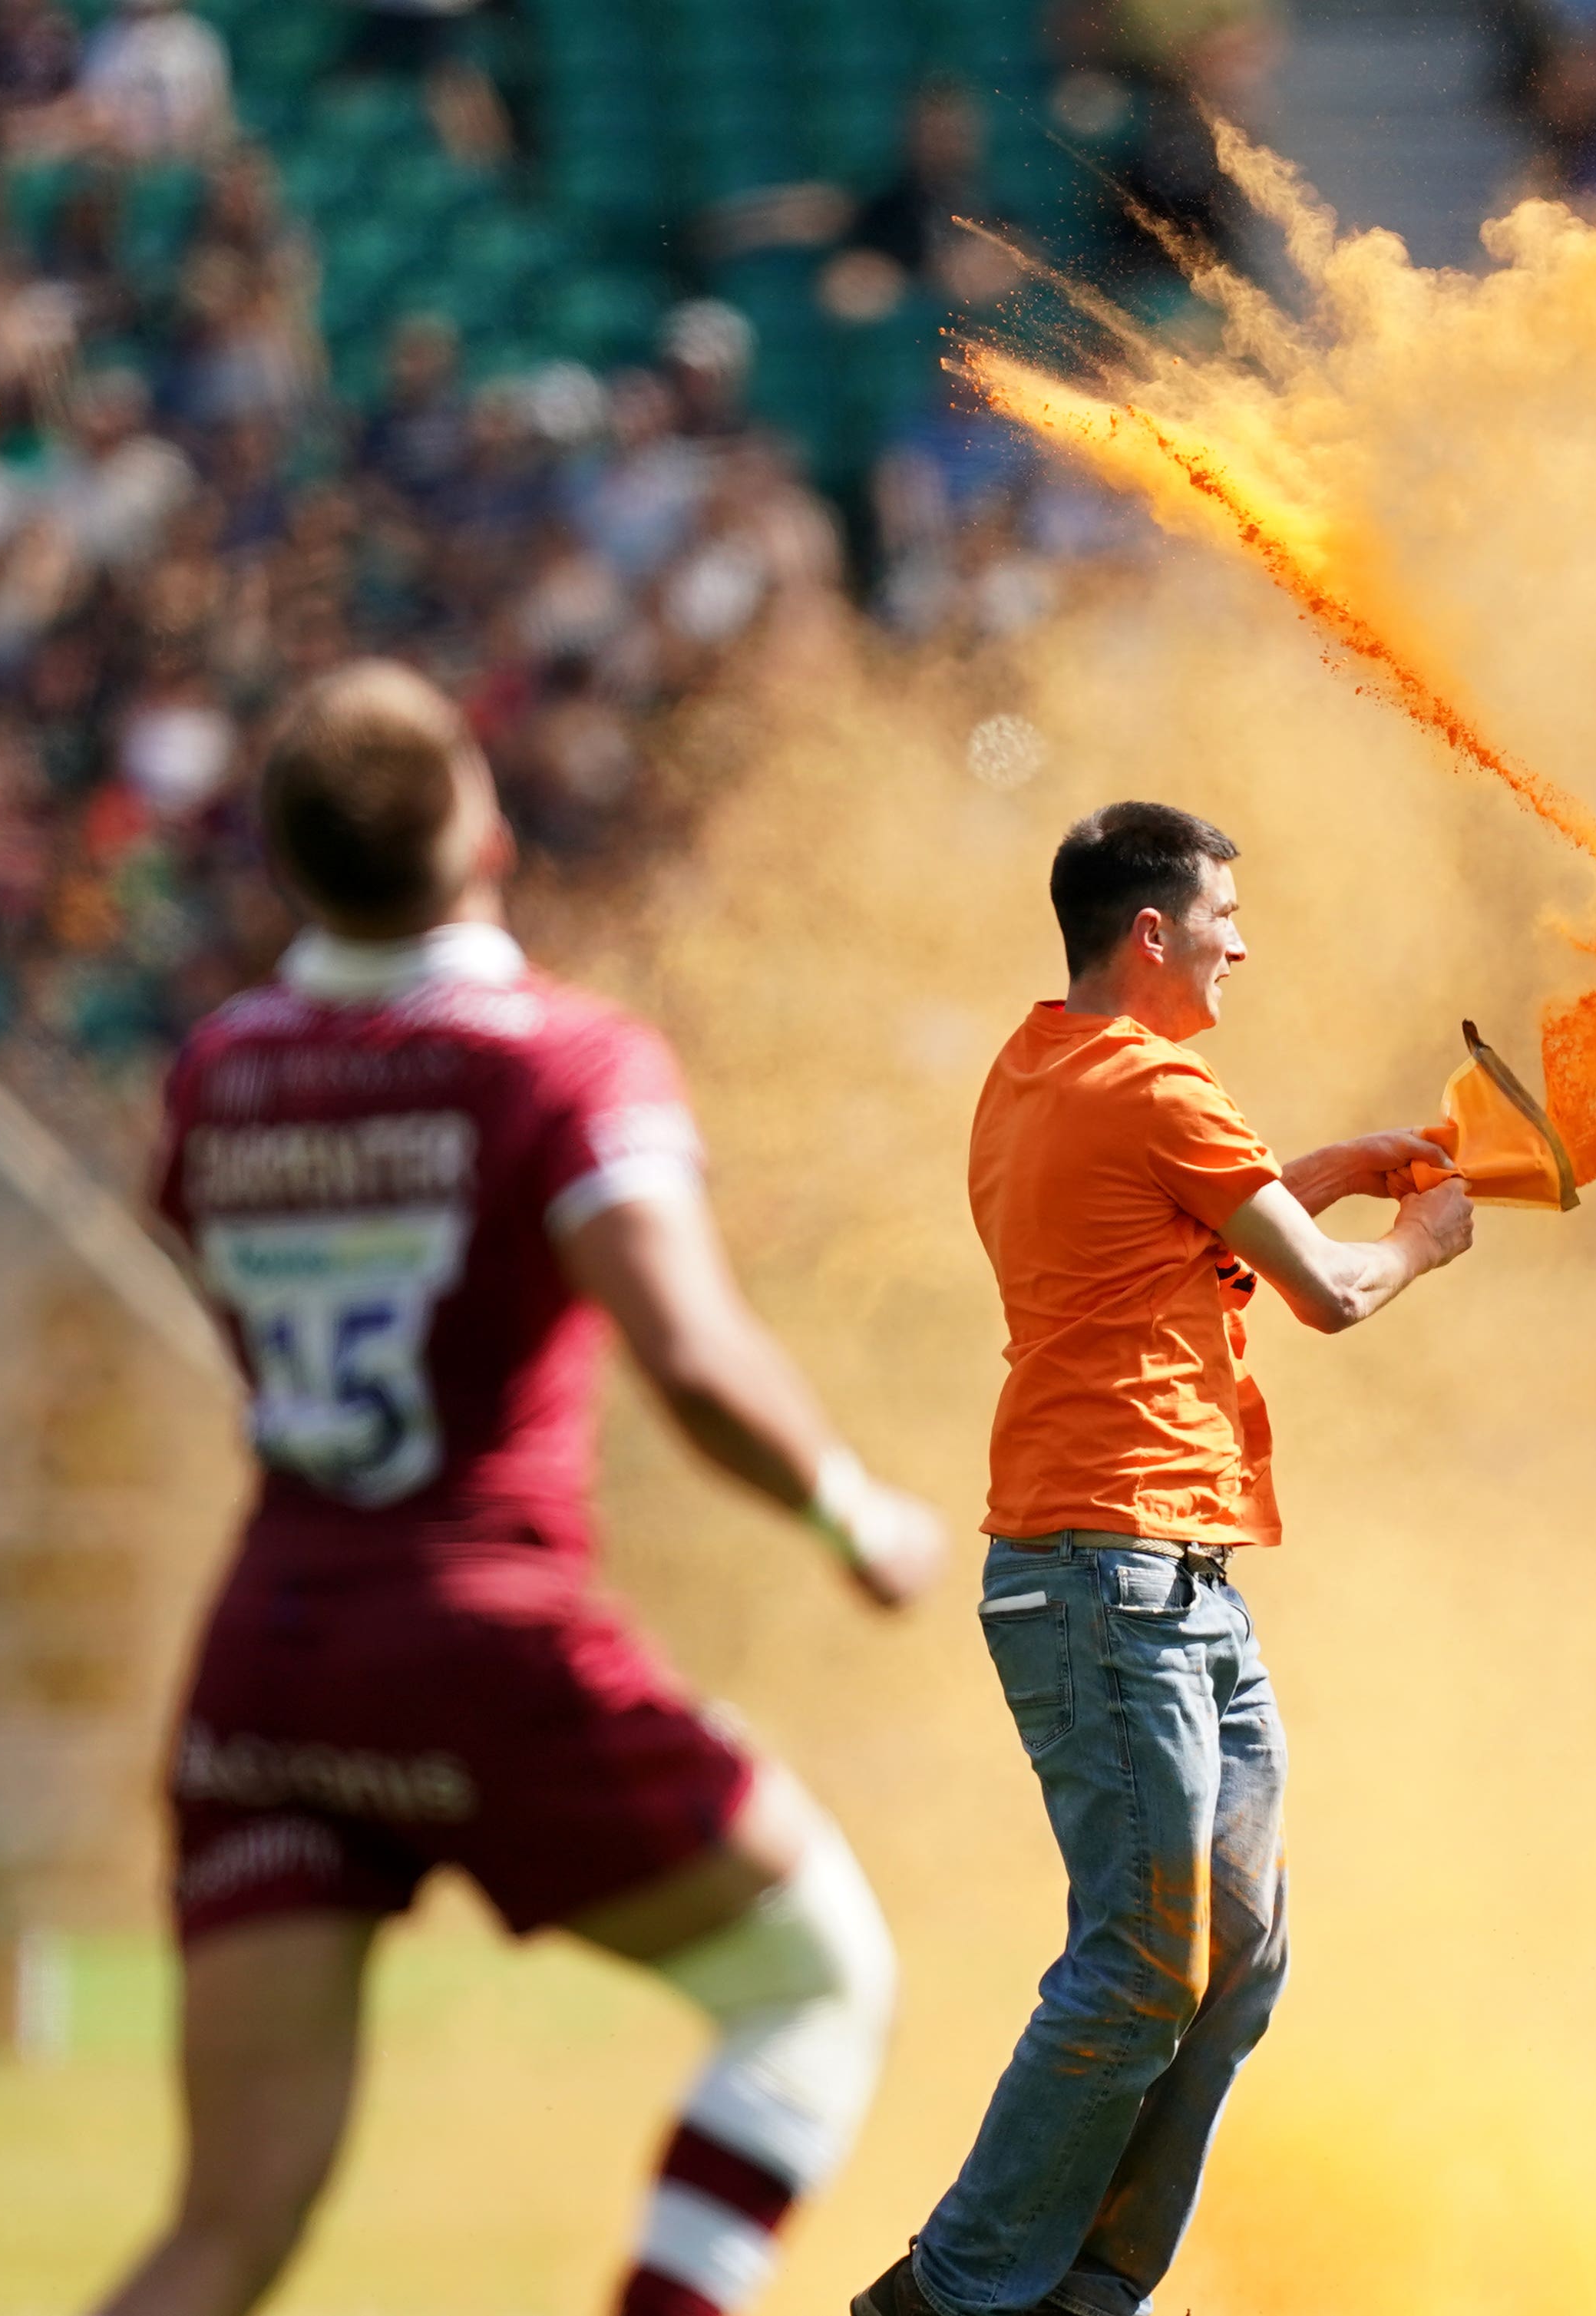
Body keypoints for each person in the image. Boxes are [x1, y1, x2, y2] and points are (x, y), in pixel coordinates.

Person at [94, 660, 951, 2316]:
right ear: (481, 826)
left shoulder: (218, 1071)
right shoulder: (561, 1060)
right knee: (814, 1979)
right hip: (475, 1635)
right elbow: (691, 1358)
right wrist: (855, 1513)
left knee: (226, 2230)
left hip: (268, 1659)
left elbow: (207, 1255)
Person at [856, 801, 1475, 2316]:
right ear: (1152, 932)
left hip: (1154, 1575)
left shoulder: (1036, 1066)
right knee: (1145, 1959)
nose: (1240, 945)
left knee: (1236, 1952)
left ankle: (1086, 2293)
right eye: (1222, 919)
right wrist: (1424, 1240)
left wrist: (1320, 1163)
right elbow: (1325, 1296)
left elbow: (1162, 1239)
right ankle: (947, 2298)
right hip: (1108, 1571)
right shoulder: (1160, 1089)